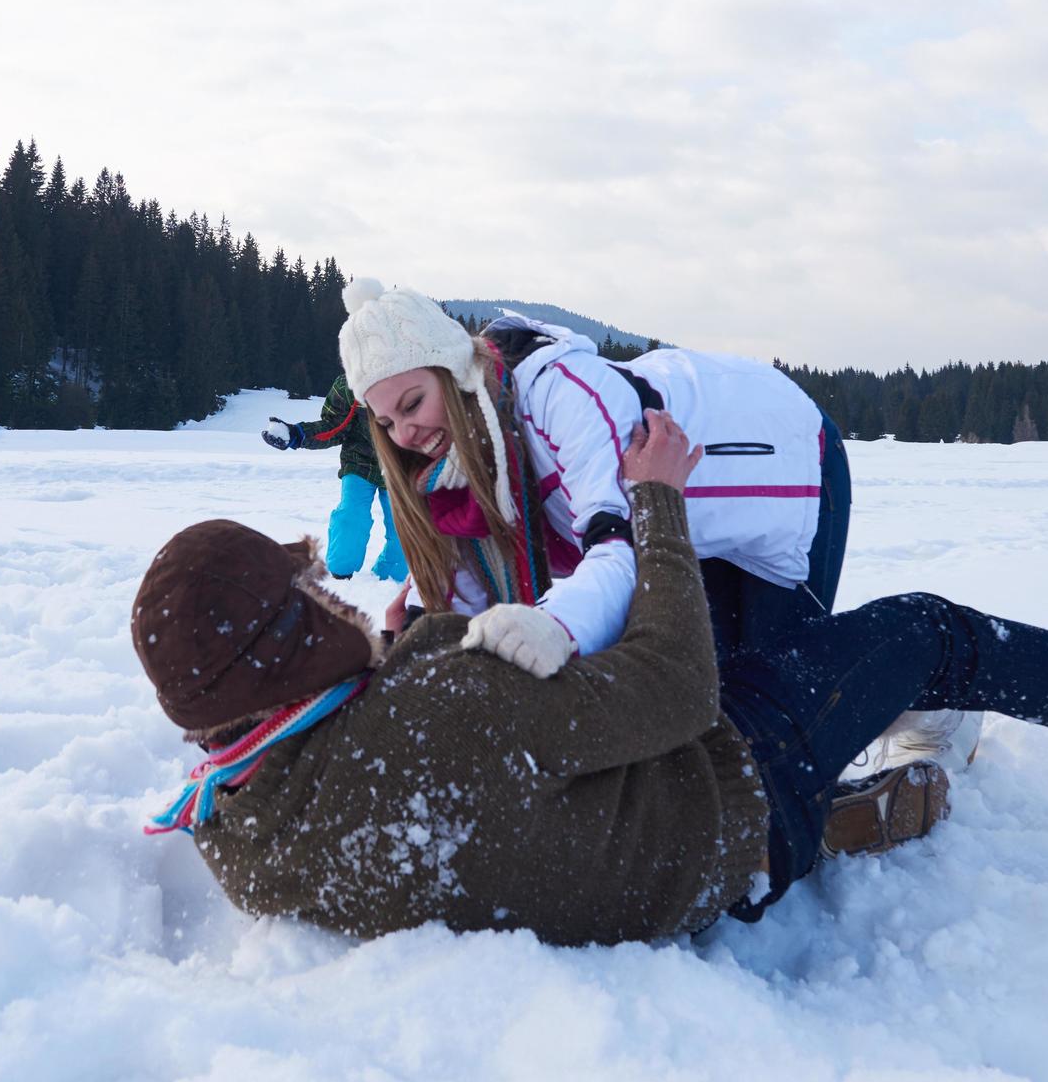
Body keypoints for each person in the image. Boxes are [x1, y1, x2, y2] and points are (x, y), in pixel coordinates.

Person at [128, 411, 1048, 944]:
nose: (335, 600)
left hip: (649, 871)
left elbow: (421, 789)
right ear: (283, 652)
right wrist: (654, 498)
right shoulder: (440, 710)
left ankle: (877, 803)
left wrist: (411, 648)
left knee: (802, 664)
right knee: (926, 631)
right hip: (728, 794)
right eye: (311, 600)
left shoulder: (237, 834)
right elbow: (675, 693)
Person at [335, 280, 975, 775]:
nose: (405, 434)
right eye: (386, 422)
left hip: (780, 471)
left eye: (413, 402)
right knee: (694, 718)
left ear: (453, 368)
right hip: (679, 531)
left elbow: (618, 552)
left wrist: (551, 626)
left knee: (773, 716)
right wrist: (415, 636)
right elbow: (472, 605)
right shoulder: (458, 476)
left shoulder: (559, 393)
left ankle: (923, 697)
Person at [261, 374, 407, 582]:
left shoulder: (417, 381)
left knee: (405, 527)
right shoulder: (351, 383)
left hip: (401, 467)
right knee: (351, 515)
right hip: (359, 462)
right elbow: (333, 426)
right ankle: (340, 574)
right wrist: (297, 434)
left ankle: (389, 579)